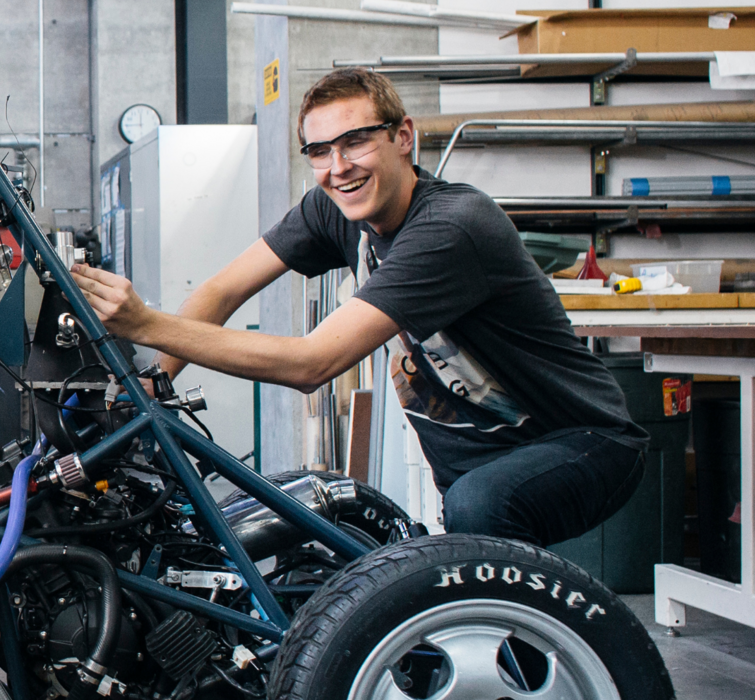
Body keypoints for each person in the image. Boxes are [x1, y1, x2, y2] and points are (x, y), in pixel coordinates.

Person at [70, 68, 647, 547]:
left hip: (581, 444)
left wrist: (147, 324)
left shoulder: (451, 227)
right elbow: (222, 291)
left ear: (403, 137)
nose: (338, 167)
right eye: (320, 150)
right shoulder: (332, 208)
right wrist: (150, 385)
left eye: (356, 141)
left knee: (481, 514)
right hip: (477, 467)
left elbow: (312, 363)